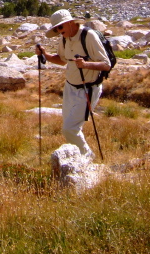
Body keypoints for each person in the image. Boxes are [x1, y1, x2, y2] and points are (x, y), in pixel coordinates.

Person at [35, 9, 110, 158]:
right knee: (70, 126)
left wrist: (86, 65)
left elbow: (106, 64)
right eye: (56, 29)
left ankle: (87, 157)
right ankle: (81, 157)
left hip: (88, 88)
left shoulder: (88, 36)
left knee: (69, 129)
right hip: (70, 87)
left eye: (60, 27)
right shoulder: (65, 38)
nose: (58, 31)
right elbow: (62, 60)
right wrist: (45, 55)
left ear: (69, 23)